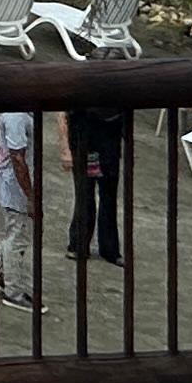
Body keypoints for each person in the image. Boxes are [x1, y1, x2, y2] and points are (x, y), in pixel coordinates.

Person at [0, 110, 42, 307]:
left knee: (16, 231)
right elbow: (18, 158)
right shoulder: (16, 116)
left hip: (9, 181)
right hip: (14, 185)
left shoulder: (14, 114)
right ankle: (14, 291)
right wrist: (31, 196)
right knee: (18, 236)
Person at [64, 99, 127, 265]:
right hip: (85, 130)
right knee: (85, 193)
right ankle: (78, 244)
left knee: (109, 193)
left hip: (110, 131)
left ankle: (109, 249)